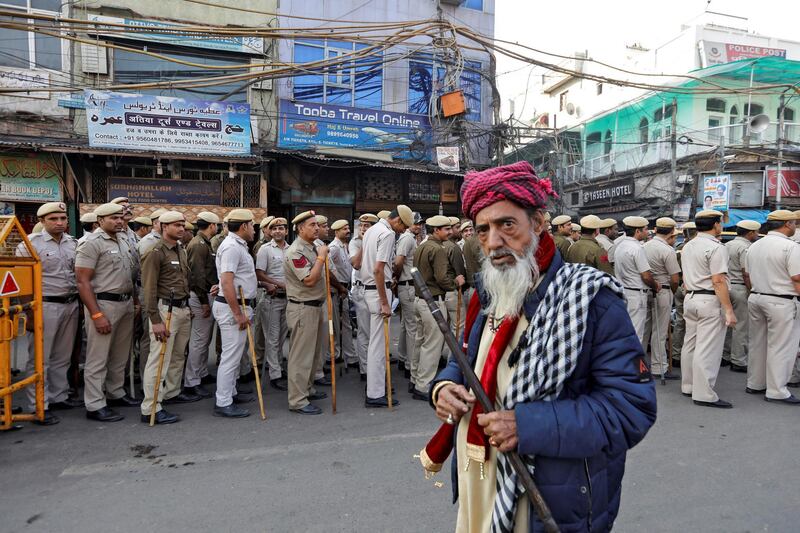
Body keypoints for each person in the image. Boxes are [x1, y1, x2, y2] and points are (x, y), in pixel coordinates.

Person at [426, 161, 656, 532]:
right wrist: (444, 387)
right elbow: (470, 360)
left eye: (507, 225)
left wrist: (528, 426)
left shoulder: (591, 298)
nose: (494, 241)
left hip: (548, 493)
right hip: (481, 477)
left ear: (538, 222)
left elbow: (631, 408)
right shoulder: (489, 290)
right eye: (482, 230)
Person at [16, 202, 80, 425]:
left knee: (62, 356)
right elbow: (23, 283)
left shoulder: (73, 243)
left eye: (63, 218)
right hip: (45, 305)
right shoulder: (30, 244)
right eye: (54, 219)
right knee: (40, 358)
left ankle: (58, 396)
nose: (60, 223)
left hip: (70, 303)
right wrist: (29, 312)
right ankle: (38, 405)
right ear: (41, 221)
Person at [75, 203, 139, 422]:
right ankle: (94, 404)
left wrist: (135, 302)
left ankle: (115, 392)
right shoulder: (91, 243)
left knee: (120, 355)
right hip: (104, 304)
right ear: (100, 221)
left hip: (126, 303)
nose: (119, 221)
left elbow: (131, 275)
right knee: (98, 357)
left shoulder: (123, 240)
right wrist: (95, 314)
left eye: (121, 217)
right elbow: (82, 281)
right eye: (113, 218)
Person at [139, 211, 197, 425]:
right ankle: (150, 407)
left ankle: (171, 393)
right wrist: (155, 320)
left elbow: (183, 280)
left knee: (177, 355)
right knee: (159, 359)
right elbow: (149, 289)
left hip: (182, 308)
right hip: (165, 310)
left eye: (183, 225)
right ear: (163, 227)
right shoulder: (154, 251)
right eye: (176, 225)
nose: (181, 229)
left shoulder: (180, 249)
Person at [680, 210, 736, 408]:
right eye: (720, 222)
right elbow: (719, 281)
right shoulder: (716, 247)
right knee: (708, 348)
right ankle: (704, 394)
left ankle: (688, 386)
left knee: (691, 344)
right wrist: (728, 309)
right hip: (709, 300)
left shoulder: (688, 246)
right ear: (716, 224)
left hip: (691, 297)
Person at [745, 210, 800, 405]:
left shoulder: (755, 245)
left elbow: (748, 274)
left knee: (758, 343)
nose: (795, 226)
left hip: (757, 296)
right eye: (794, 223)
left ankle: (755, 382)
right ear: (787, 224)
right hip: (781, 300)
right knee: (782, 346)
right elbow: (797, 278)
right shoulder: (790, 247)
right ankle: (777, 390)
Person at [361, 206, 413, 408]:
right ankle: (375, 393)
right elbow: (378, 269)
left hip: (370, 289)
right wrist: (384, 301)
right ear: (397, 220)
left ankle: (377, 388)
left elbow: (365, 263)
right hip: (377, 291)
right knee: (378, 346)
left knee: (376, 343)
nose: (403, 231)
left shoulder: (372, 230)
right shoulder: (387, 233)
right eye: (403, 227)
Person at [212, 209, 258, 418]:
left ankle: (230, 392)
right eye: (252, 225)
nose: (254, 229)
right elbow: (227, 281)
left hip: (239, 303)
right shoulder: (232, 247)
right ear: (243, 227)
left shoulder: (238, 245)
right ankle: (223, 401)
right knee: (230, 357)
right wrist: (238, 313)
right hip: (234, 306)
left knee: (235, 354)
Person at [284, 211, 329, 415]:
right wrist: (321, 258)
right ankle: (298, 400)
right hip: (303, 307)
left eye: (317, 225)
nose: (317, 228)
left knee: (313, 354)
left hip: (315, 305)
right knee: (301, 356)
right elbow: (309, 280)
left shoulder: (311, 247)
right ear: (301, 228)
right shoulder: (296, 251)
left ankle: (307, 389)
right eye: (312, 225)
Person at [411, 215, 455, 399]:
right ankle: (422, 385)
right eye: (446, 229)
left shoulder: (422, 246)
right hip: (432, 300)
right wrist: (456, 284)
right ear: (436, 230)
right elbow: (442, 278)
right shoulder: (437, 249)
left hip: (420, 299)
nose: (450, 232)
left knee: (420, 341)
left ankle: (415, 379)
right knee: (432, 345)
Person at [184, 211, 220, 399]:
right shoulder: (198, 245)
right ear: (212, 225)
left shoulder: (204, 243)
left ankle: (201, 373)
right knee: (199, 340)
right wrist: (204, 302)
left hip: (205, 294)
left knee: (204, 339)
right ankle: (192, 381)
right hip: (200, 296)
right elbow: (197, 276)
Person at [643, 217, 681, 379]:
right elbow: (674, 279)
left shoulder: (644, 246)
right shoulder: (667, 250)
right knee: (660, 332)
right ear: (671, 232)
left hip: (646, 289)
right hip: (663, 290)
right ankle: (659, 368)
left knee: (644, 330)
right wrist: (671, 291)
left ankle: (638, 365)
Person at [255, 217, 291, 391]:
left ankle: (277, 367)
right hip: (271, 297)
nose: (277, 231)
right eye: (274, 228)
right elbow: (259, 274)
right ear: (269, 231)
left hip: (287, 298)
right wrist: (277, 283)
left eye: (281, 228)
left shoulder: (291, 249)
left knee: (281, 337)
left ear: (286, 231)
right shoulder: (265, 249)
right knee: (272, 337)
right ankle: (275, 374)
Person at [614, 216, 659, 344]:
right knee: (636, 334)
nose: (647, 232)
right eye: (645, 229)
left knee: (625, 333)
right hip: (636, 294)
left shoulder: (620, 245)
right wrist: (655, 285)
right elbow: (646, 275)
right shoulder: (637, 248)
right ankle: (632, 363)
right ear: (637, 231)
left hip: (624, 291)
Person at [722, 220, 759, 372]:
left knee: (728, 325)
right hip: (740, 288)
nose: (757, 235)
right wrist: (751, 290)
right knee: (741, 326)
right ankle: (738, 360)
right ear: (750, 233)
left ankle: (725, 356)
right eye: (756, 232)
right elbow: (746, 273)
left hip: (727, 287)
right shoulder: (746, 247)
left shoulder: (727, 245)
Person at [394, 212, 422, 381]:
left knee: (406, 325)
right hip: (408, 285)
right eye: (415, 223)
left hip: (407, 285)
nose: (418, 226)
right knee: (412, 327)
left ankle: (404, 358)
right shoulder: (407, 238)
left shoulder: (410, 237)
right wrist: (396, 278)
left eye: (420, 224)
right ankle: (411, 366)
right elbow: (399, 262)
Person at [350, 213, 377, 380]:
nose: (363, 229)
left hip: (376, 289)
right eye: (361, 226)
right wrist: (364, 243)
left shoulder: (380, 239)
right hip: (361, 290)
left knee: (376, 333)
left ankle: (375, 368)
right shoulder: (355, 242)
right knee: (365, 332)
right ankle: (365, 370)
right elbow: (356, 264)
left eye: (367, 226)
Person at [328, 219, 357, 372]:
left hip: (344, 289)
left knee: (346, 324)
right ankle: (335, 354)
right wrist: (339, 288)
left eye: (348, 228)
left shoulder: (345, 246)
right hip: (337, 289)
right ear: (336, 231)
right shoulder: (333, 248)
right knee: (336, 324)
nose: (347, 231)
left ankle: (349, 355)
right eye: (344, 229)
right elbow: (328, 270)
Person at [672, 221, 697, 367]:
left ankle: (676, 354)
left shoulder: (679, 248)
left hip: (680, 286)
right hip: (692, 288)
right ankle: (691, 355)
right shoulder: (697, 248)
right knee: (693, 325)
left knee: (680, 322)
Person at [443, 216, 467, 359]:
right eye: (457, 227)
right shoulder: (453, 247)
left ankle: (446, 356)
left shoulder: (438, 244)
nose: (459, 229)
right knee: (458, 327)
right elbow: (460, 273)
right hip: (452, 291)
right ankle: (454, 360)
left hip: (441, 292)